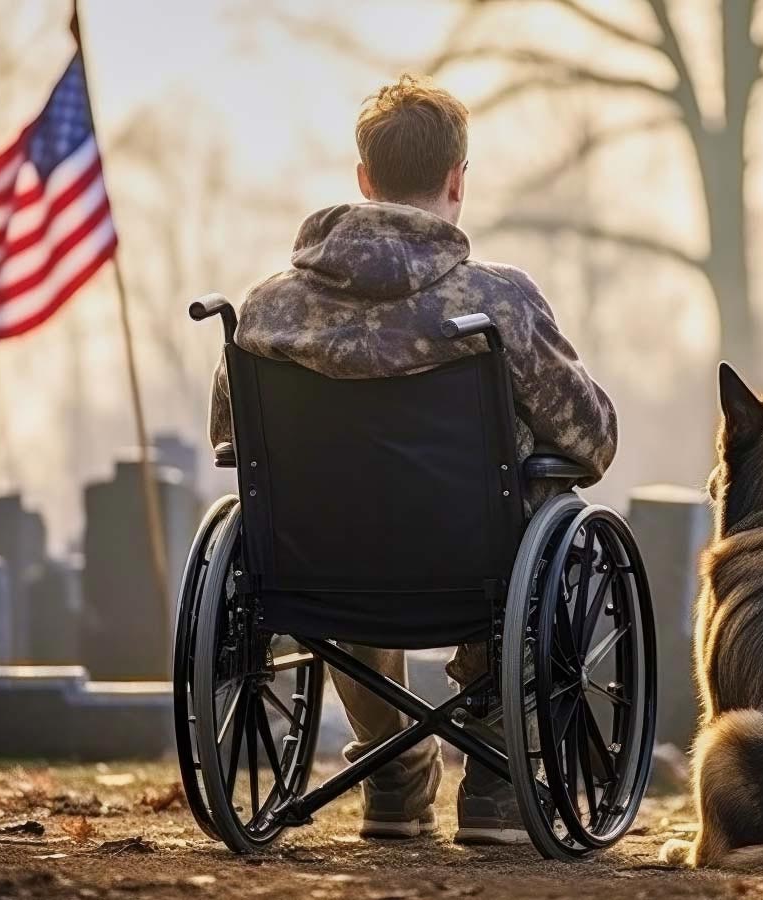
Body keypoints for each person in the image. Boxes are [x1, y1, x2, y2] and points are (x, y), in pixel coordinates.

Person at [206, 74, 617, 844]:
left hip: (316, 573)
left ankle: (393, 783)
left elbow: (230, 439)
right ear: (457, 179)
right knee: (539, 506)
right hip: (474, 568)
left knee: (334, 515)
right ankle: (494, 770)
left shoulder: (266, 309)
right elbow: (590, 442)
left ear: (365, 181)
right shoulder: (501, 304)